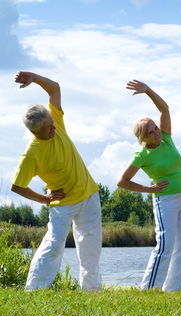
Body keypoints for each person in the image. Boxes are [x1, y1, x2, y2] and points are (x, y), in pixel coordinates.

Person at [11, 72, 102, 291]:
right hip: (63, 204)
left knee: (90, 249)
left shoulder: (55, 120)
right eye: (49, 128)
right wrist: (44, 198)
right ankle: (34, 290)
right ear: (35, 132)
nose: (54, 128)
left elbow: (55, 89)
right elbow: (17, 186)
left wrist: (33, 77)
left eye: (52, 123)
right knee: (53, 246)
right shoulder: (32, 155)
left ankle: (91, 291)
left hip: (89, 194)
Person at [117, 80, 181, 291]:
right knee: (165, 245)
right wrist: (148, 189)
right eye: (151, 132)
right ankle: (149, 290)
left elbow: (164, 108)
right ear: (143, 137)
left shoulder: (167, 138)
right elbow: (122, 181)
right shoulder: (142, 154)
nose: (157, 132)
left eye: (156, 128)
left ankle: (173, 288)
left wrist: (148, 90)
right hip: (165, 200)